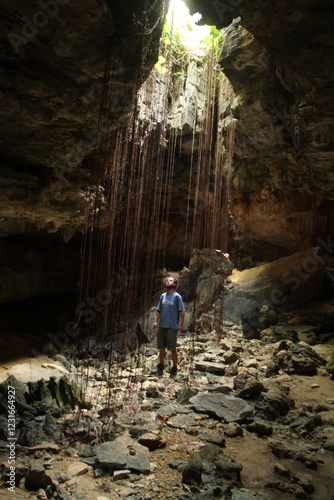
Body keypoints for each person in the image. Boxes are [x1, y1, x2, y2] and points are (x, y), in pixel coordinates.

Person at [153, 276, 185, 377]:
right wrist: (155, 321)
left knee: (172, 348)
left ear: (174, 284)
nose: (167, 281)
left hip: (172, 326)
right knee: (162, 348)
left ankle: (175, 367)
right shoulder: (163, 296)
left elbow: (182, 311)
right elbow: (159, 310)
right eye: (167, 280)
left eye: (170, 280)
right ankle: (160, 366)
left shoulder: (177, 297)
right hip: (162, 326)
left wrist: (181, 324)